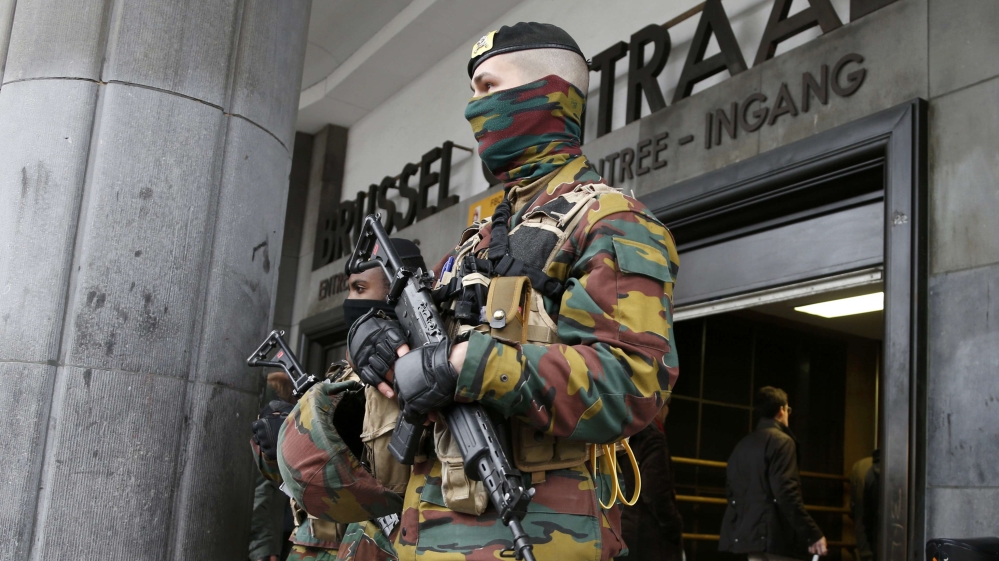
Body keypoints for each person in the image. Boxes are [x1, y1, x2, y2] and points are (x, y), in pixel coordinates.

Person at [280, 22, 680, 561]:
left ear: (547, 92)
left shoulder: (612, 223)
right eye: (473, 93)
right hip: (424, 536)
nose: (474, 108)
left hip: (539, 539)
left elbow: (634, 383)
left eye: (489, 88)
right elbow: (418, 358)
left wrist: (472, 365)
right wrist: (374, 342)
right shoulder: (478, 242)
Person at [258, 238, 428, 561]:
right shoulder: (342, 375)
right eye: (349, 289)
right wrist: (279, 446)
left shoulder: (419, 369)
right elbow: (305, 484)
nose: (350, 302)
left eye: (361, 289)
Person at [720, 387, 827, 561]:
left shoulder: (742, 445)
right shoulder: (782, 442)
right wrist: (812, 533)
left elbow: (731, 491)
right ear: (782, 410)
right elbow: (786, 492)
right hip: (776, 535)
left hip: (748, 537)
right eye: (788, 410)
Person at [618, 400, 684, 561]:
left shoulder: (620, 433)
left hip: (620, 529)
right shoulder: (652, 438)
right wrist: (674, 526)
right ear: (661, 408)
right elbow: (656, 492)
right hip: (648, 537)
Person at [849, 450, 880, 561]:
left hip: (863, 526)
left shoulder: (859, 465)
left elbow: (852, 504)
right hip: (881, 534)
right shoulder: (893, 467)